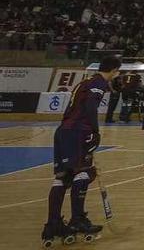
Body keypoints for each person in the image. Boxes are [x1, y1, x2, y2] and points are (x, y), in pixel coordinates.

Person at [42, 56, 121, 246]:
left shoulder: (85, 82)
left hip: (63, 132)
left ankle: (53, 225)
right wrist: (95, 131)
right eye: (118, 71)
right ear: (113, 70)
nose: (118, 74)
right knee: (85, 172)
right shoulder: (99, 83)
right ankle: (77, 220)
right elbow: (90, 107)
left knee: (63, 176)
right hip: (78, 132)